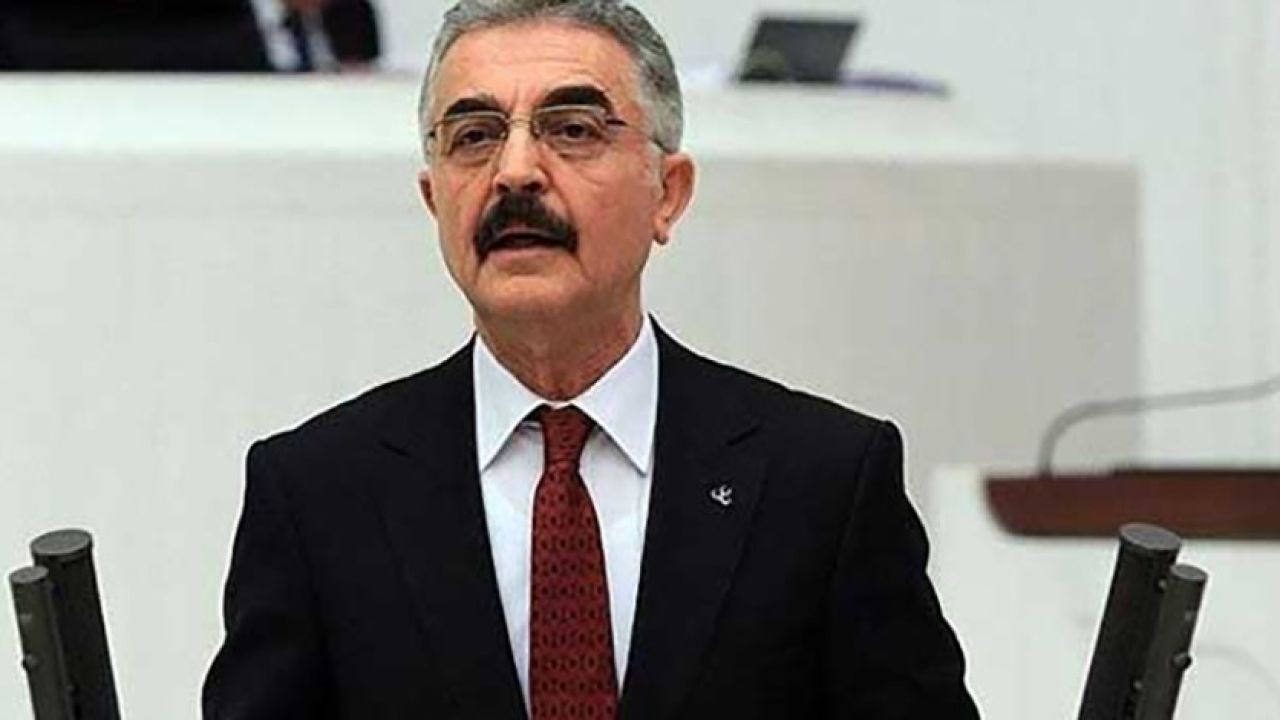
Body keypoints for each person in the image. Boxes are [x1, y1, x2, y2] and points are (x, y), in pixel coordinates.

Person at [202, 1, 980, 718]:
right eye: (473, 137)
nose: (515, 172)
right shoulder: (317, 494)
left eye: (572, 129)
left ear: (668, 193)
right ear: (434, 200)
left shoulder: (824, 481)